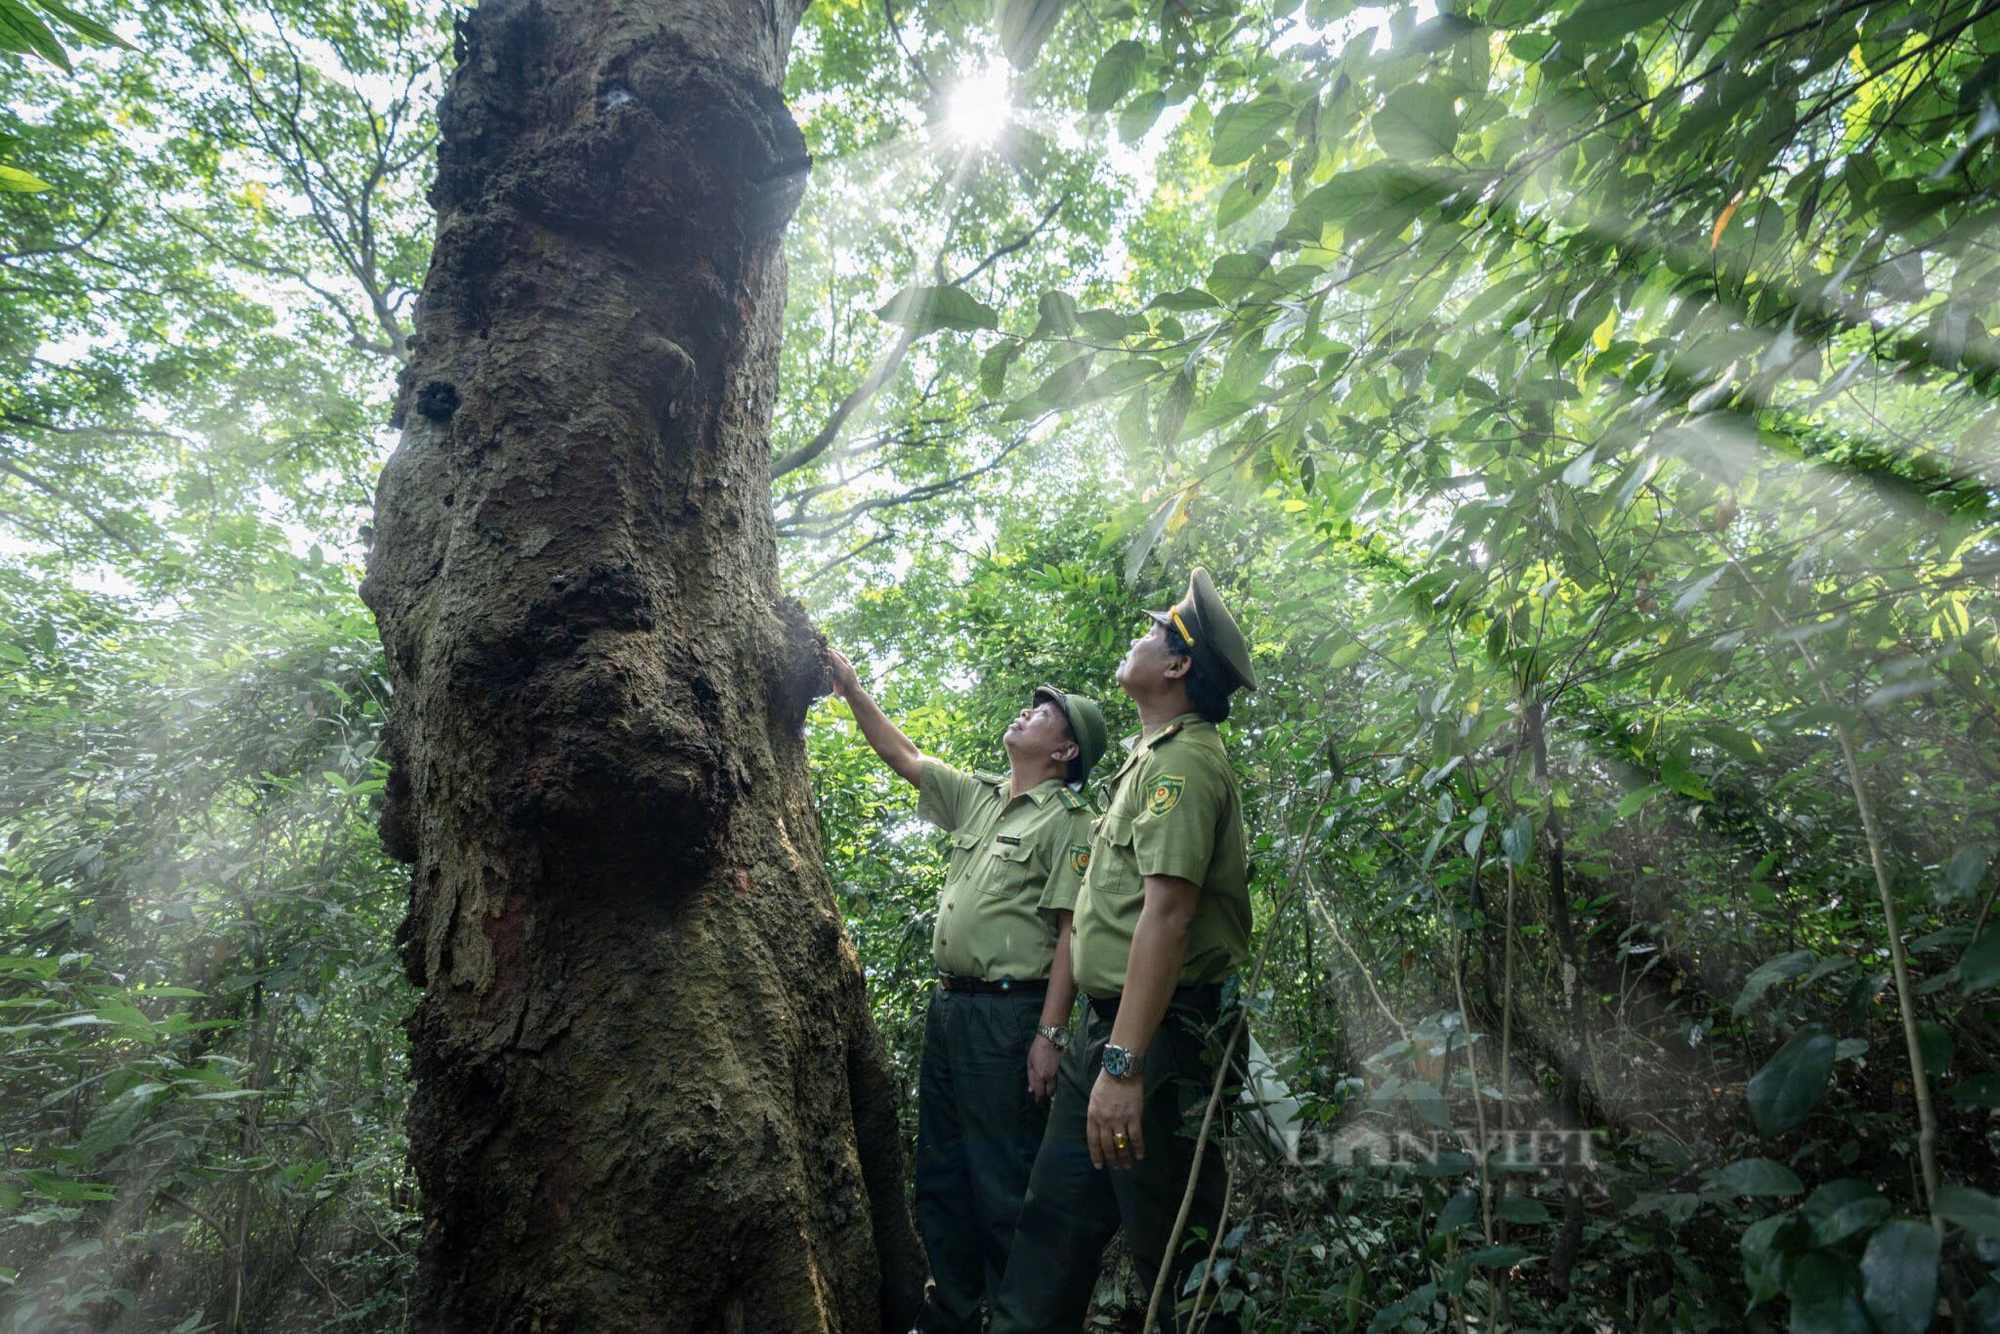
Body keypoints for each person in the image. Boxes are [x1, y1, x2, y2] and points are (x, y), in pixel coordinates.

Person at [987, 568, 1257, 1334]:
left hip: (1159, 1043)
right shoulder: (1151, 757)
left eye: (1154, 630)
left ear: (1177, 667)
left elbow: (1167, 919)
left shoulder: (1185, 764)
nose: (1139, 635)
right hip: (1114, 1037)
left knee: (1176, 1247)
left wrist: (1125, 1065)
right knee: (1053, 1228)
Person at [826, 651, 1109, 1334]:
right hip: (949, 1008)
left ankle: (1019, 1320)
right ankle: (949, 1312)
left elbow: (1072, 933)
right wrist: (855, 691)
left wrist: (1050, 1034)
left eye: (1043, 714)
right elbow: (907, 756)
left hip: (1011, 1017)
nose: (1026, 712)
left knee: (1001, 1178)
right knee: (944, 1171)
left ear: (1066, 750)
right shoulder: (980, 796)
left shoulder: (1069, 819)